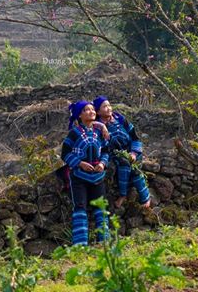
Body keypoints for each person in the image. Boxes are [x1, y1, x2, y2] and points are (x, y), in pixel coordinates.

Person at [61, 100, 109, 246]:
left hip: (98, 176)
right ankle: (80, 244)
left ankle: (104, 242)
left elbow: (105, 151)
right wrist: (80, 163)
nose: (91, 112)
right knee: (80, 207)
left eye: (92, 109)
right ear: (79, 115)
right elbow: (65, 154)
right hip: (79, 177)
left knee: (101, 207)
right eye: (86, 110)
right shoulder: (74, 133)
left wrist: (102, 163)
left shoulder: (98, 132)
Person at [93, 95, 151, 209]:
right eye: (104, 107)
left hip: (132, 151)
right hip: (113, 154)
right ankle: (127, 195)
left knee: (133, 168)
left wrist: (134, 153)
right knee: (124, 163)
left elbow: (135, 138)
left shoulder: (120, 119)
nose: (109, 108)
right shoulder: (97, 127)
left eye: (109, 105)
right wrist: (102, 126)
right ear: (98, 112)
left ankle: (142, 197)